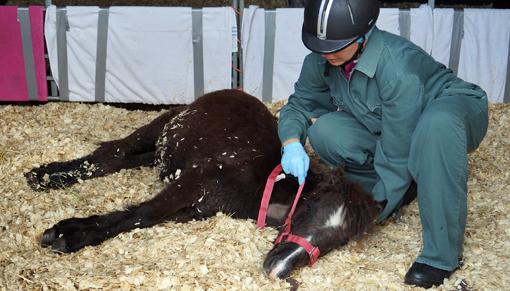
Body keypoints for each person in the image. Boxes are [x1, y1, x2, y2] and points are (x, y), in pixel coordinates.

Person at [278, 0, 489, 288]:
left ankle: (442, 256)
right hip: (396, 126)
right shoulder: (324, 59)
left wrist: (366, 213)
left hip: (452, 111)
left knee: (435, 126)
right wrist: (292, 143)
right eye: (321, 46)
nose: (327, 54)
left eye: (337, 46)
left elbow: (396, 155)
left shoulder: (397, 69)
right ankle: (411, 182)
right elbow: (299, 106)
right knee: (326, 131)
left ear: (364, 36)